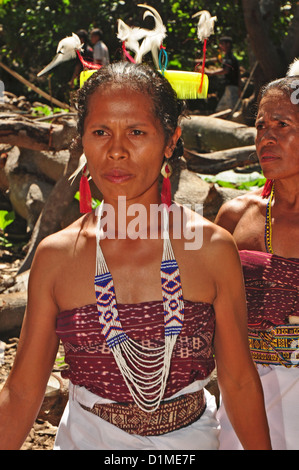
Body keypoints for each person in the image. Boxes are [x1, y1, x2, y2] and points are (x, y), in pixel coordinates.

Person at [0, 62, 271, 450]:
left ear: (171, 140)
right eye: (100, 132)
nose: (116, 151)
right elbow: (23, 391)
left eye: (137, 132)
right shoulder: (57, 256)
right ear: (82, 140)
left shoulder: (211, 248)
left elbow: (240, 380)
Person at [215, 74, 299, 450]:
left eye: (283, 125)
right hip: (244, 402)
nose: (267, 137)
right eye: (261, 125)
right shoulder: (236, 217)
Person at [207, 36, 240, 112]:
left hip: (231, 87)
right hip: (232, 87)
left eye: (222, 44)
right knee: (222, 109)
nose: (220, 46)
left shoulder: (228, 58)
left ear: (228, 44)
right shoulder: (231, 57)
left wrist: (211, 73)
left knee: (233, 109)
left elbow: (226, 70)